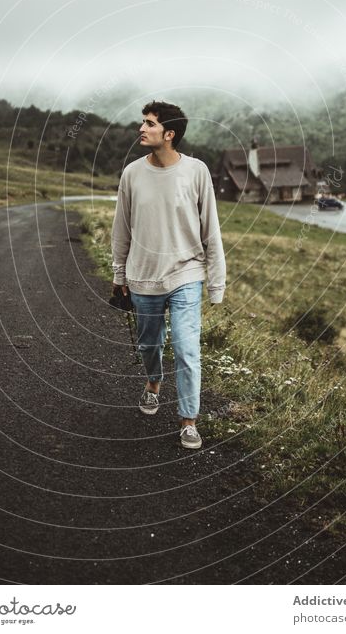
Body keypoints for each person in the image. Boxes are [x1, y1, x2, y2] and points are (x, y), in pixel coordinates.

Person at [111, 100, 226, 449]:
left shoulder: (196, 171)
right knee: (149, 344)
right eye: (142, 122)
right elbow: (121, 229)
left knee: (188, 349)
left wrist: (216, 283)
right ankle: (153, 383)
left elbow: (211, 229)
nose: (141, 129)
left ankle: (189, 421)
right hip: (143, 276)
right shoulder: (132, 173)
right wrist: (119, 275)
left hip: (186, 274)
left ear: (169, 134)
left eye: (149, 124)